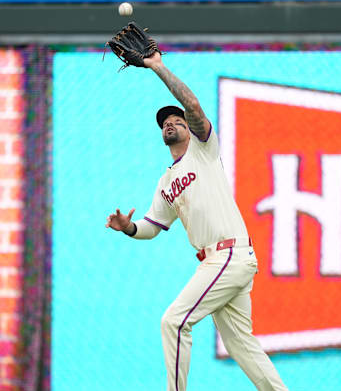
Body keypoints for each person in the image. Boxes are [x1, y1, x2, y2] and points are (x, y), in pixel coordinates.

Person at [105, 52, 288, 391]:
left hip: (229, 255)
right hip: (219, 259)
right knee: (240, 345)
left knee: (173, 322)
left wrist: (158, 67)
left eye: (176, 120)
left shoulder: (203, 150)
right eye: (164, 123)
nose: (169, 124)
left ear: (190, 128)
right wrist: (129, 228)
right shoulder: (166, 182)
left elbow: (192, 105)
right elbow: (152, 226)